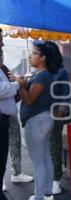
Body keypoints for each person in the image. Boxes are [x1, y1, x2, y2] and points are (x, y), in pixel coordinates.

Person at [14, 42, 59, 200]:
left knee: (38, 162)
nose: (29, 56)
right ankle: (47, 193)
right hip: (44, 119)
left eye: (33, 53)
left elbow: (29, 100)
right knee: (45, 158)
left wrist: (21, 85)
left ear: (43, 58)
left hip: (36, 121)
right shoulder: (43, 75)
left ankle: (40, 196)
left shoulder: (41, 76)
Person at [1, 65, 34, 192]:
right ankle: (2, 180)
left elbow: (11, 80)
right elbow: (3, 90)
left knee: (15, 142)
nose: (2, 55)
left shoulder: (3, 67)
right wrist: (17, 84)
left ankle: (16, 173)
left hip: (9, 114)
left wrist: (18, 80)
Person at [44, 41, 69, 195]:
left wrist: (60, 111)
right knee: (45, 147)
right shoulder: (43, 70)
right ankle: (48, 176)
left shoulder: (61, 71)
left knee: (54, 146)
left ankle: (56, 180)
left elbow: (65, 94)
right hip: (41, 114)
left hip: (55, 113)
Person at [0, 28, 20, 200]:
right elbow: (2, 89)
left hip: (4, 119)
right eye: (0, 40)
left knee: (2, 158)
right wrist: (17, 86)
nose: (2, 44)